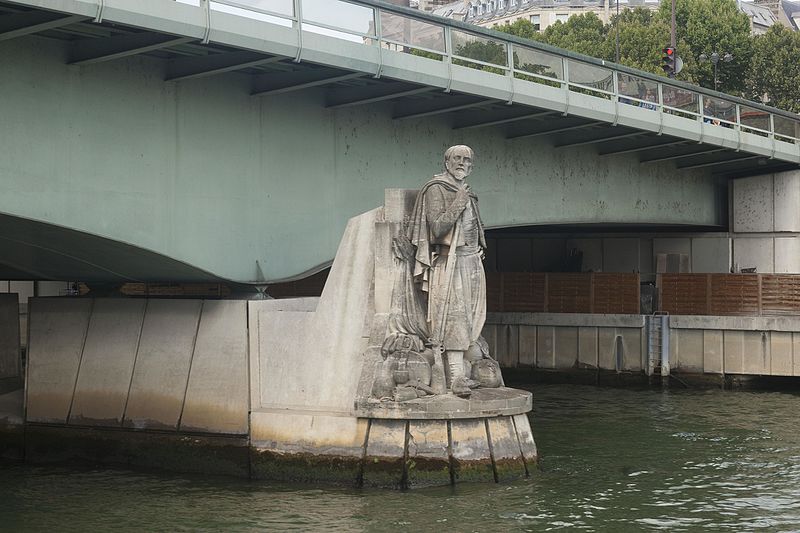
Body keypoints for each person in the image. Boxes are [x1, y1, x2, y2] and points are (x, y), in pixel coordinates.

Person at [407, 145, 488, 396]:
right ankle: (456, 378)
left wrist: (480, 246)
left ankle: (461, 374)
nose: (462, 163)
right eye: (457, 158)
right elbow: (438, 227)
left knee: (472, 317)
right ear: (446, 162)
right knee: (454, 317)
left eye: (467, 160)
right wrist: (460, 200)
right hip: (450, 262)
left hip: (472, 261)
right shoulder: (437, 188)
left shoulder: (466, 192)